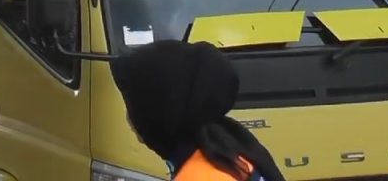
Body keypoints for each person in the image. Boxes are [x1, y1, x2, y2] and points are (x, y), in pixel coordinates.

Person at [109, 40, 286, 181]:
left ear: (159, 111)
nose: (129, 117)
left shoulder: (198, 175)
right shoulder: (233, 151)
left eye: (134, 102)